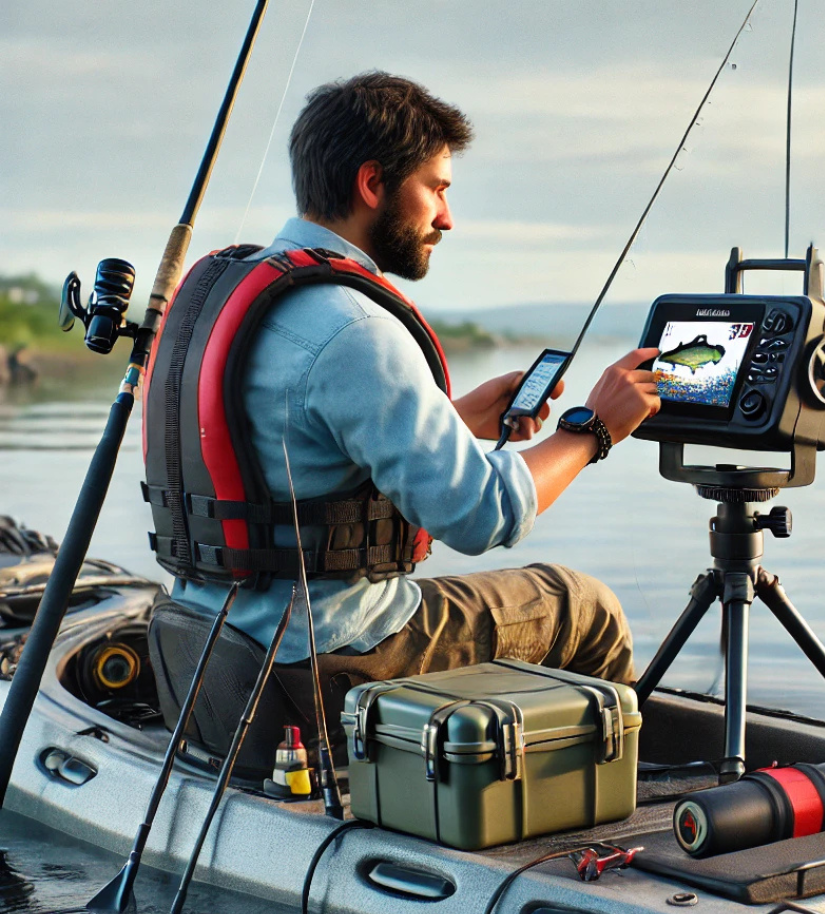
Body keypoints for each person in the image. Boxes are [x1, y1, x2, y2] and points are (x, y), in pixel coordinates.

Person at [164, 72, 660, 694]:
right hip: (323, 652)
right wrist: (592, 430)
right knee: (584, 607)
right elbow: (484, 514)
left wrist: (454, 417)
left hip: (208, 636)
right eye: (436, 188)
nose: (447, 218)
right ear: (373, 184)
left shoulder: (233, 292)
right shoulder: (354, 328)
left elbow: (296, 442)